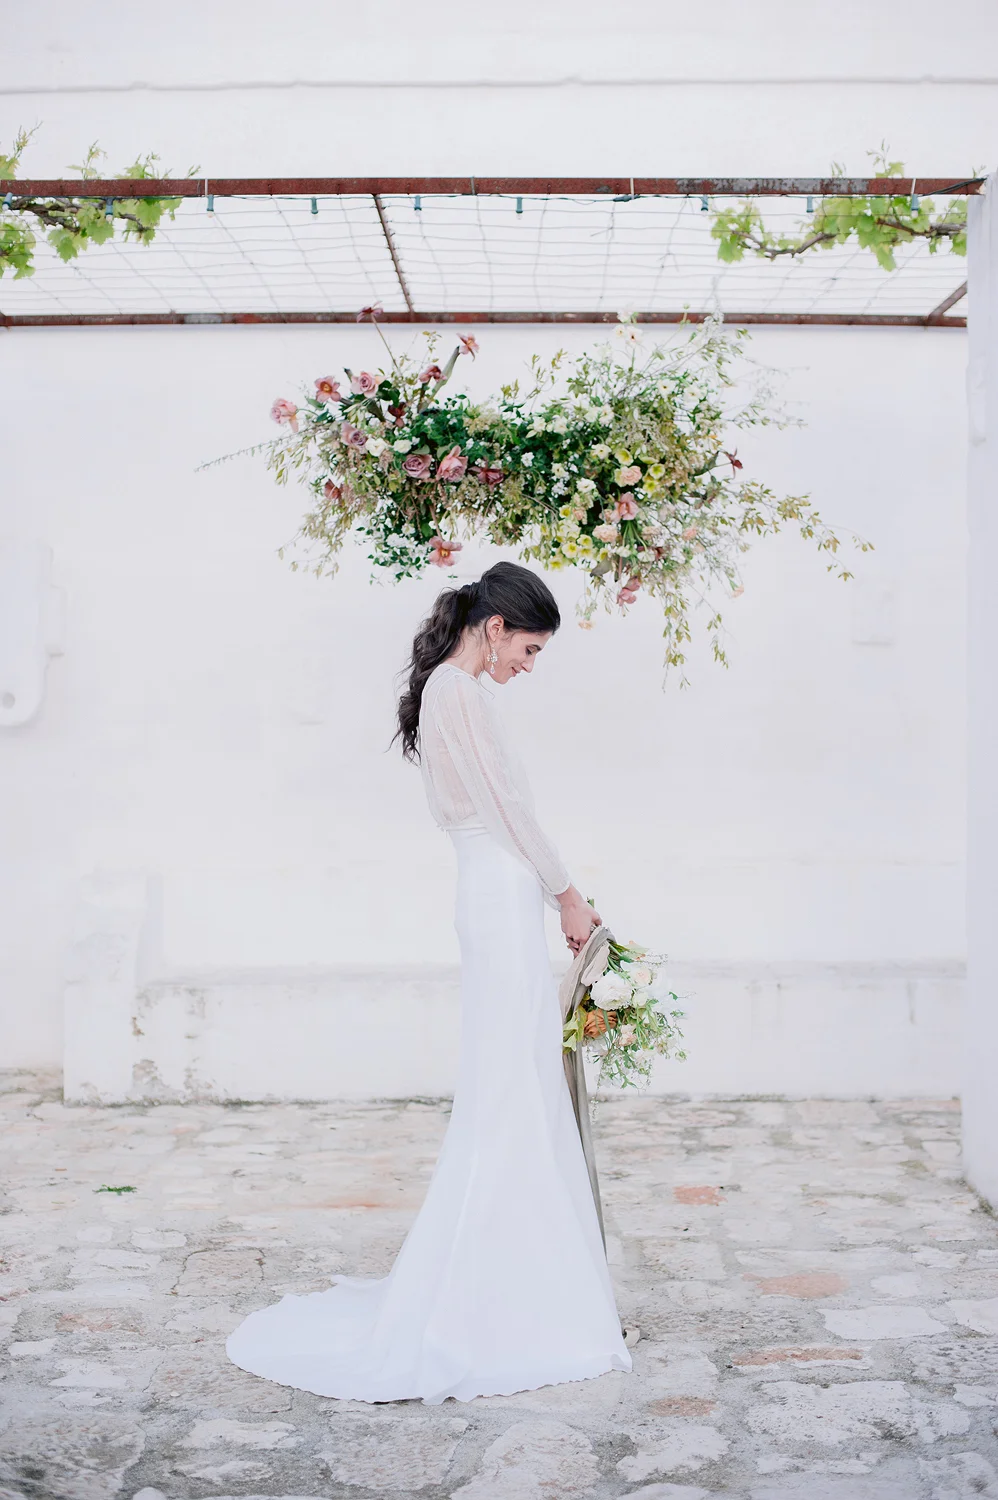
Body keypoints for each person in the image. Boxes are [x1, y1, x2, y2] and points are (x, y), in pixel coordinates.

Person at [226, 560, 631, 1402]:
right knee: (510, 1082)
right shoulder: (458, 692)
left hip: (496, 887)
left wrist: (551, 892)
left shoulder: (459, 692)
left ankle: (514, 1279)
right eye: (529, 648)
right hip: (499, 887)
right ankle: (494, 1295)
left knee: (514, 1079)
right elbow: (508, 810)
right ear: (495, 627)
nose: (530, 665)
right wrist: (567, 893)